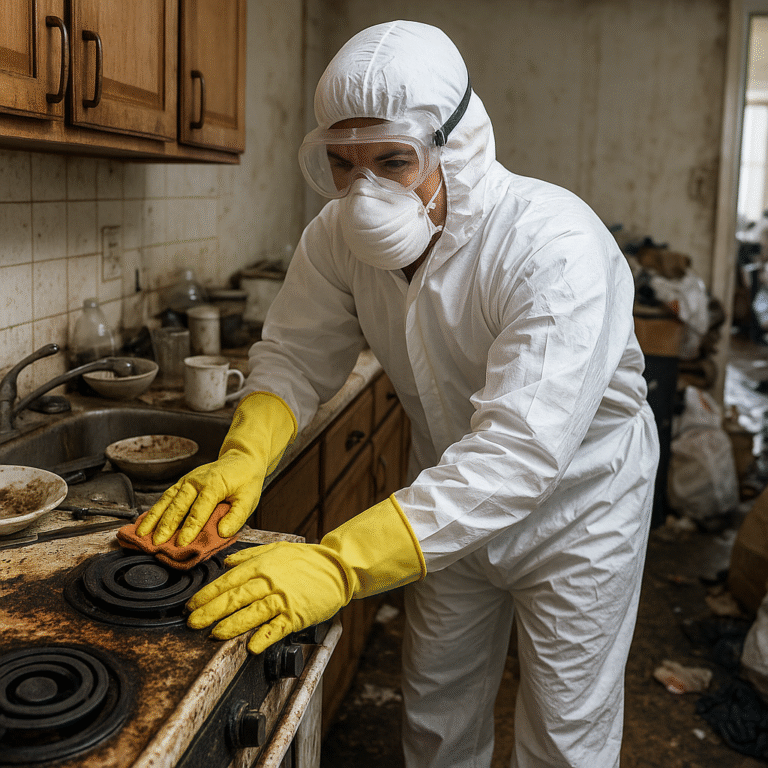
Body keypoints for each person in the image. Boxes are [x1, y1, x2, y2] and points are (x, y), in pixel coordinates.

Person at [137, 20, 659, 768]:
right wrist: (245, 456)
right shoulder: (334, 239)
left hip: (579, 512)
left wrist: (340, 563)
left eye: (393, 161)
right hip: (442, 497)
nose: (365, 193)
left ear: (456, 146)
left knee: (564, 733)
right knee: (438, 712)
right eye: (342, 164)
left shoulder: (553, 247)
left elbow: (518, 454)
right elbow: (294, 357)